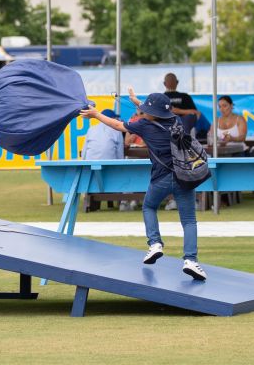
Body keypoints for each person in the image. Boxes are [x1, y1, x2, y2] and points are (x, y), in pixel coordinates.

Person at [81, 89, 208, 281]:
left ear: (150, 112)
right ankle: (191, 260)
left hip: (161, 179)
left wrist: (96, 114)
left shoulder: (144, 125)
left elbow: (116, 124)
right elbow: (157, 112)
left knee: (149, 207)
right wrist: (136, 102)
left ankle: (155, 244)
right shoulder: (176, 122)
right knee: (189, 221)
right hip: (184, 177)